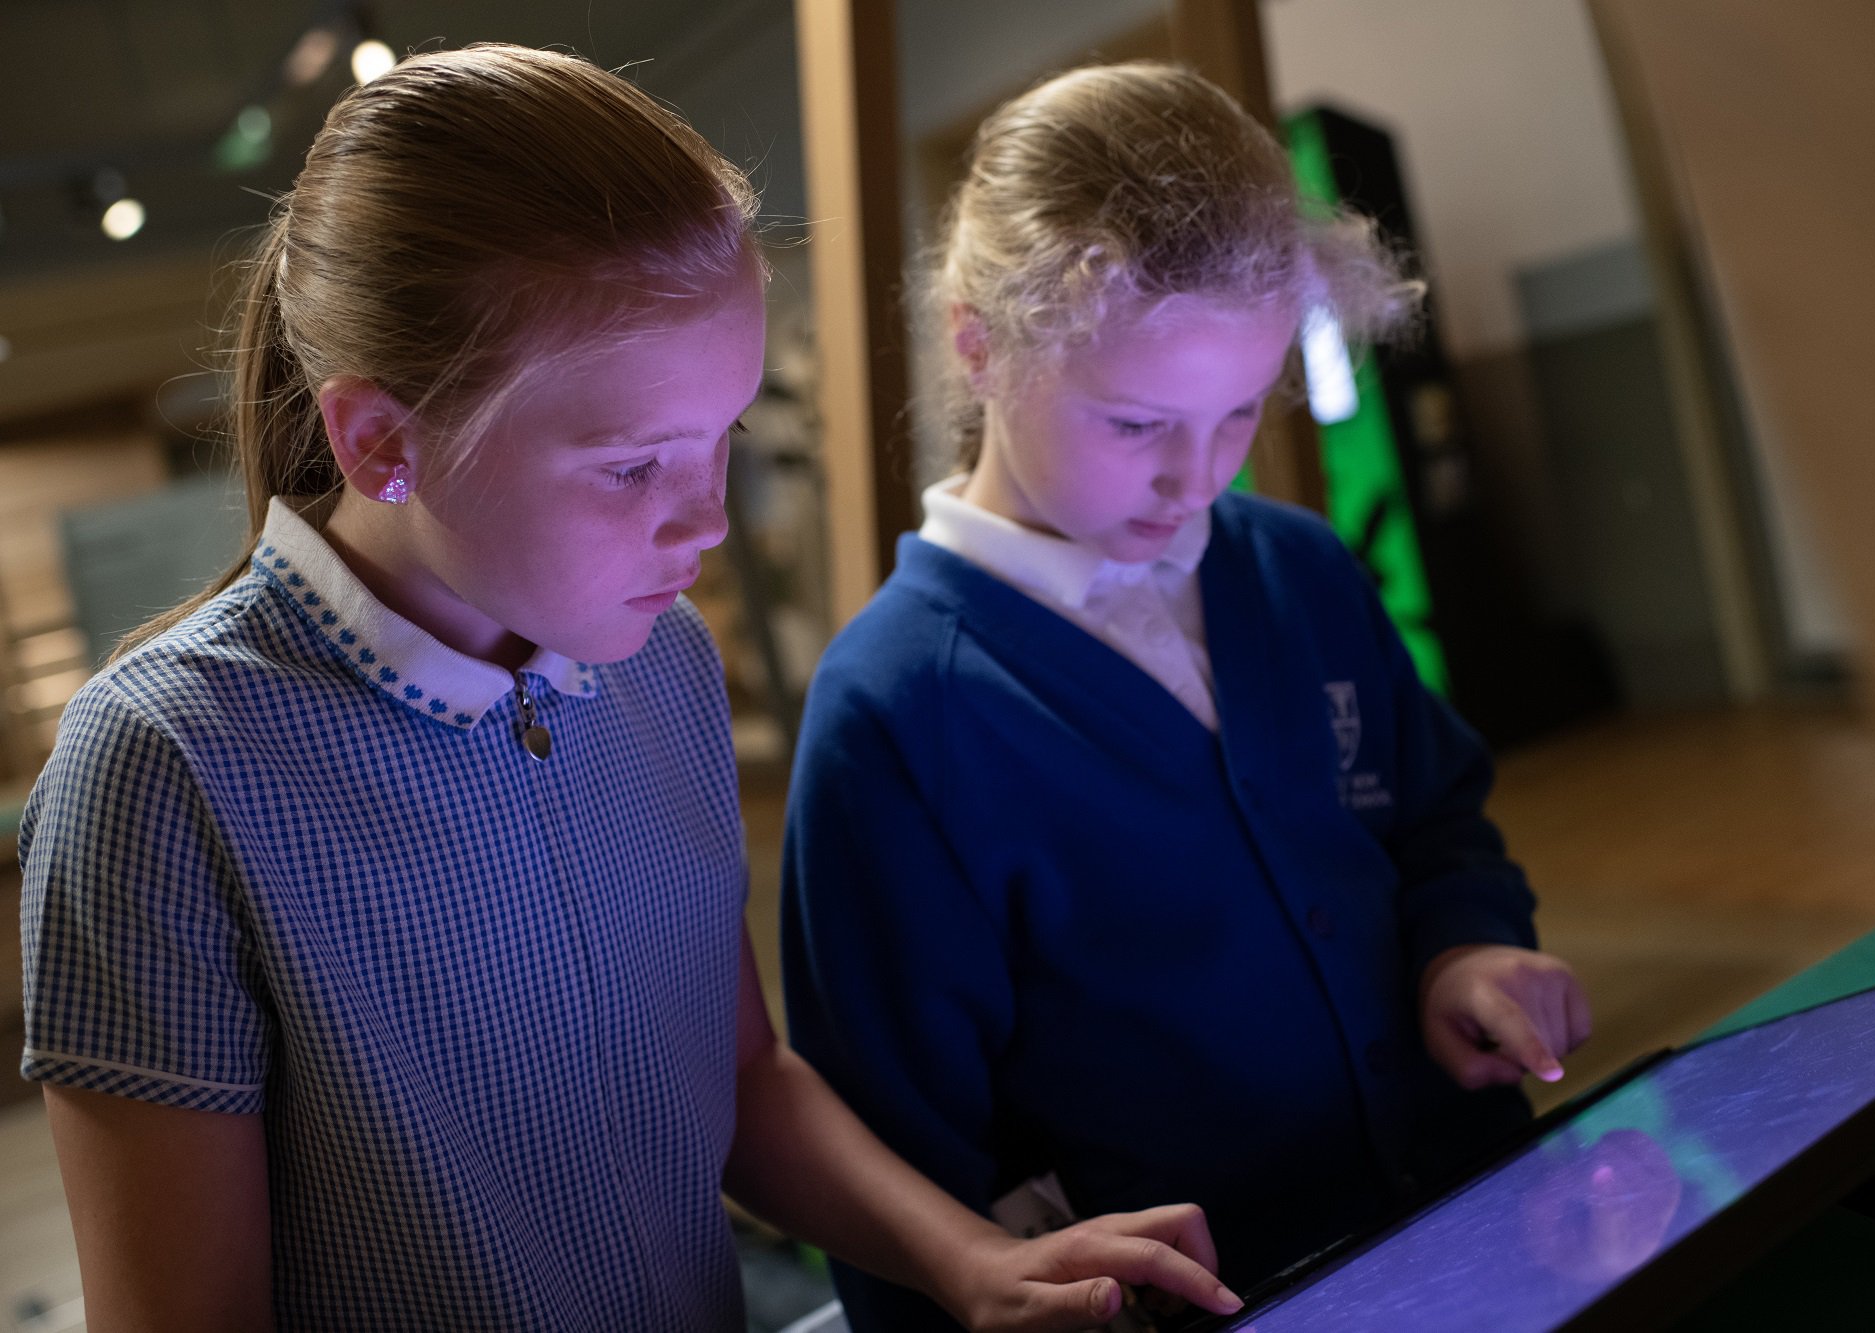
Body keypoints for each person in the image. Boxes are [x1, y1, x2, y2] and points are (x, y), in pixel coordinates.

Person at [14, 46, 1243, 1332]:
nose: (705, 519)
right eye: (632, 466)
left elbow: (745, 1079)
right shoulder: (163, 766)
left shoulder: (659, 659)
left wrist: (967, 1258)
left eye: (720, 437)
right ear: (379, 440)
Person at [781, 61, 1592, 1330]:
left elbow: (1436, 819)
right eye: (1133, 423)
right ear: (975, 343)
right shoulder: (898, 715)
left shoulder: (1297, 566)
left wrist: (1465, 942)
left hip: (1479, 1220)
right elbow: (902, 1165)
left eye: (1236, 414)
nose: (1193, 478)